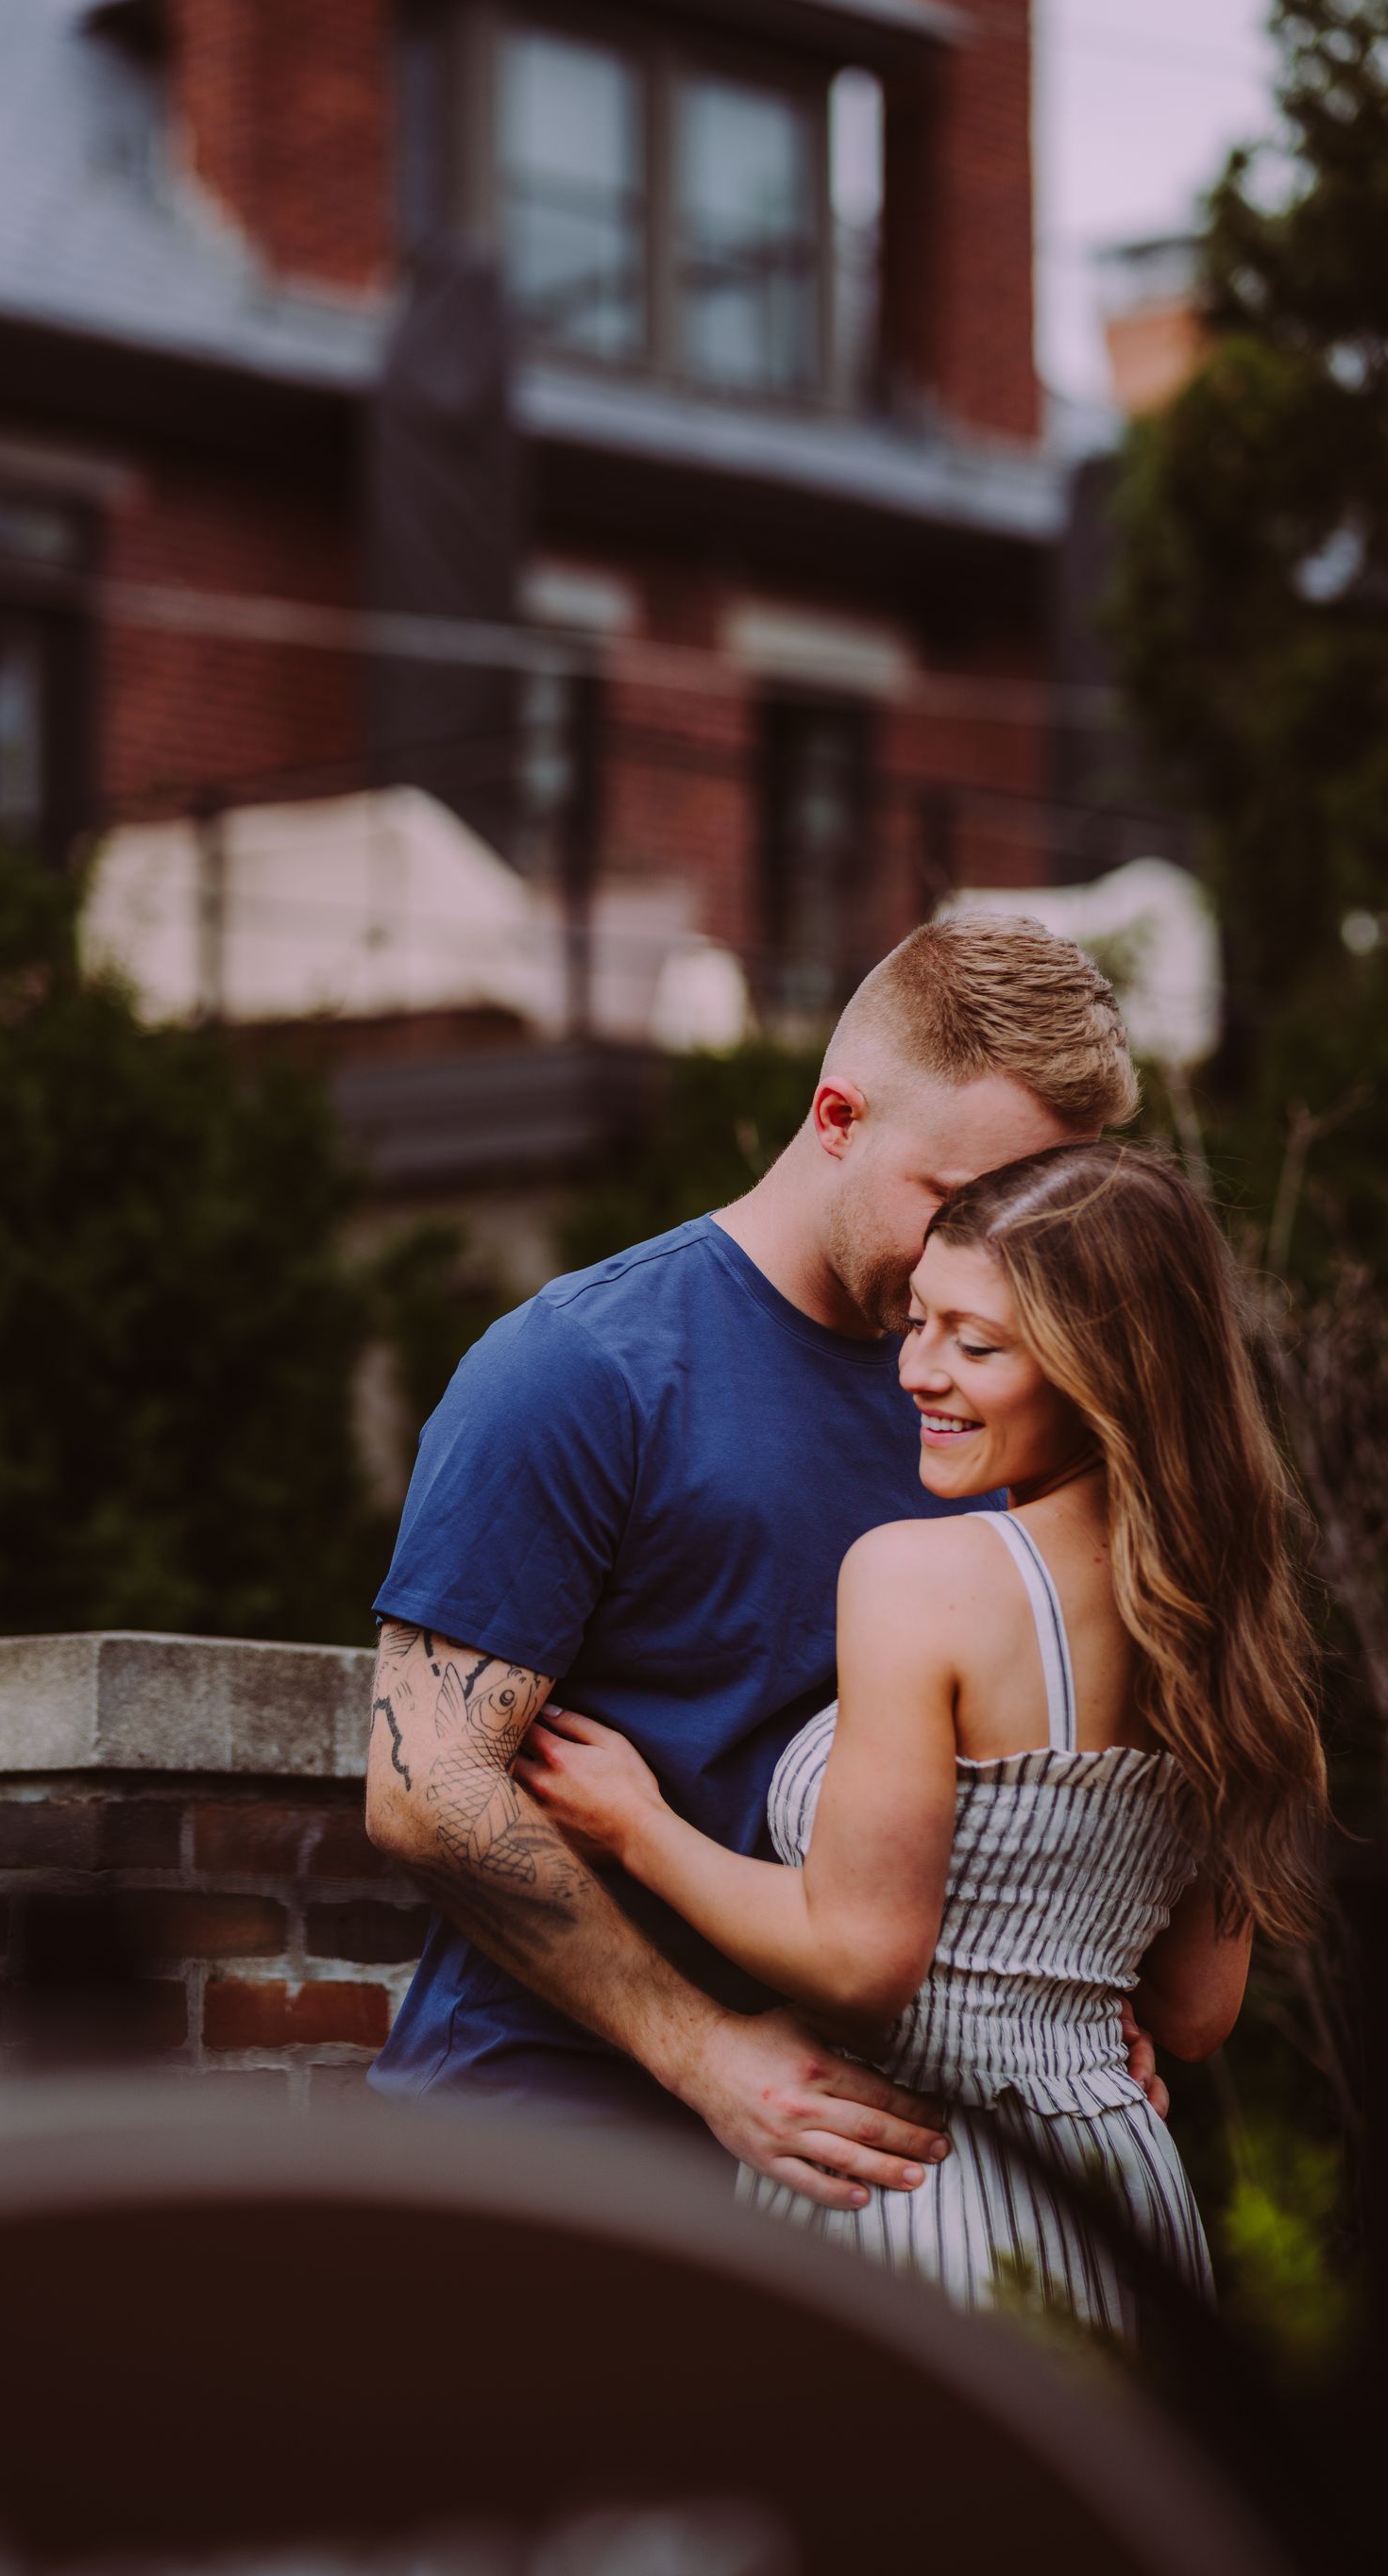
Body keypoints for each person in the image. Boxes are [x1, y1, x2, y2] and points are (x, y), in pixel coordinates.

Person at [365, 914, 1150, 2212]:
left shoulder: (1011, 1406)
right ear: (837, 1116)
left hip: (857, 2179)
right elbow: (425, 1786)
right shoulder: (581, 1366)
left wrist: (1070, 2000)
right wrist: (703, 2053)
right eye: (958, 1204)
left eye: (1036, 1220)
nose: (1000, 1263)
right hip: (539, 2150)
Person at [516, 1140, 1329, 2332]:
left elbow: (861, 1959)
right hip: (1121, 2200)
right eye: (918, 1322)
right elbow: (1196, 2014)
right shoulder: (1235, 1627)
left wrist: (639, 1829)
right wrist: (1050, 2019)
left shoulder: (918, 1578)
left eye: (976, 1344)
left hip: (912, 2196)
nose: (916, 1371)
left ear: (1106, 1370)